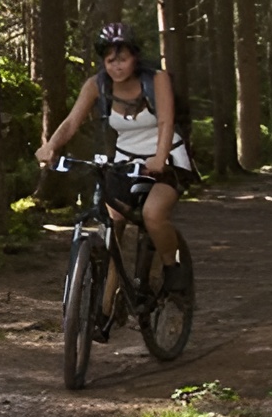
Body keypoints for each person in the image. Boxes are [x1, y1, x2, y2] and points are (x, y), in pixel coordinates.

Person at [37, 20, 191, 287]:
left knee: (152, 215)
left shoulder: (157, 80)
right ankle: (106, 304)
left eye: (123, 59)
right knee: (111, 221)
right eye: (110, 60)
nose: (116, 66)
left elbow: (166, 122)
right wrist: (51, 146)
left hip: (167, 158)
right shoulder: (97, 85)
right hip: (124, 162)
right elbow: (72, 122)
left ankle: (172, 267)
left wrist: (159, 158)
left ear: (135, 58)